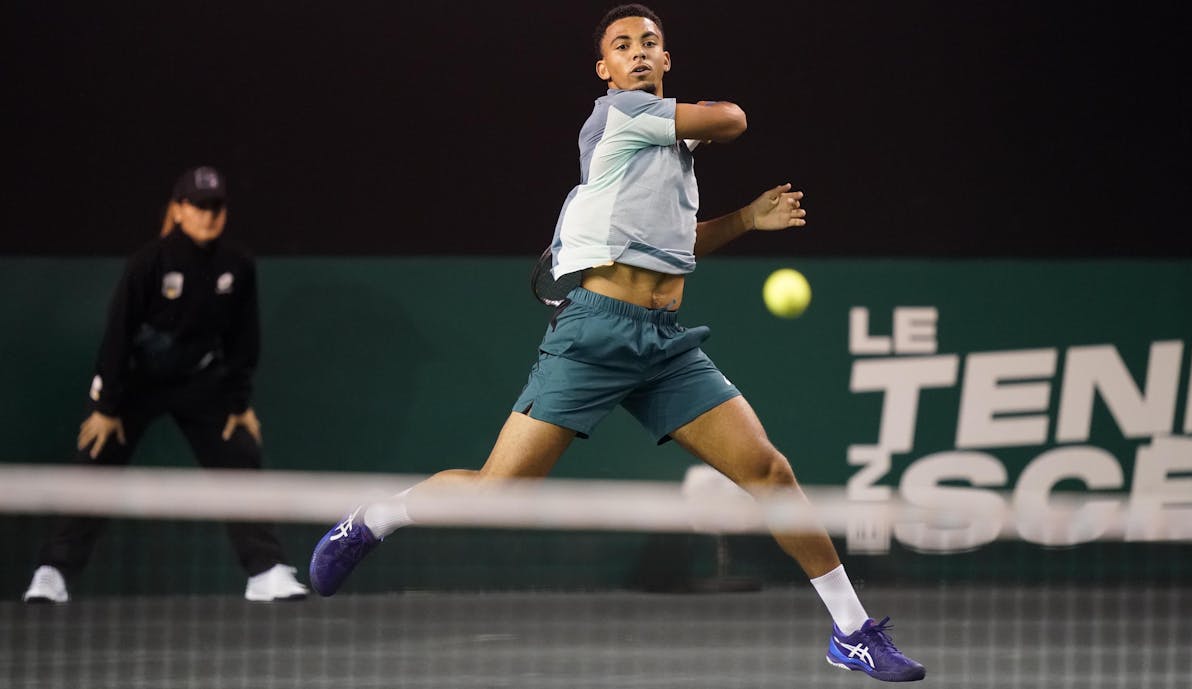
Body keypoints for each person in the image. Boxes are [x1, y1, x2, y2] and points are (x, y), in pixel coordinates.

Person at [310, 4, 923, 682]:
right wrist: (706, 116)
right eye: (623, 45)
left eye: (650, 43)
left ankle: (852, 632)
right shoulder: (620, 116)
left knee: (769, 472)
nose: (638, 52)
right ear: (604, 69)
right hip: (595, 332)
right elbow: (735, 118)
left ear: (667, 59)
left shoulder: (672, 156)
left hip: (665, 346)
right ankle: (375, 518)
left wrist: (747, 218)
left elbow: (675, 247)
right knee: (495, 492)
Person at [22, 166, 308, 604]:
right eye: (198, 206)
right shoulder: (148, 264)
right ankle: (52, 573)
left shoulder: (237, 266)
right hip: (136, 384)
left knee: (240, 455)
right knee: (95, 459)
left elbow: (242, 339)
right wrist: (105, 406)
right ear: (178, 210)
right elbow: (116, 336)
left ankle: (265, 571)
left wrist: (238, 402)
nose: (208, 216)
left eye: (216, 207)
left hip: (200, 384)